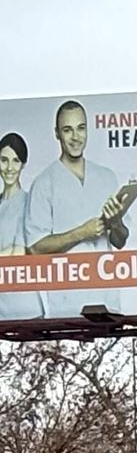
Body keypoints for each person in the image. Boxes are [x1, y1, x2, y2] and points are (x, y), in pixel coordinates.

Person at [20, 102, 137, 320]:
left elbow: (121, 241)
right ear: (57, 134)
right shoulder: (44, 183)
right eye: (68, 130)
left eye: (81, 128)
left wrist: (115, 223)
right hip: (68, 303)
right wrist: (81, 233)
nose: (76, 137)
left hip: (107, 300)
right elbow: (35, 248)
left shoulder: (106, 177)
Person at [0, 131, 39, 323]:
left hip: (24, 307)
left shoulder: (27, 201)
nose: (9, 168)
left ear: (23, 164)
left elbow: (18, 252)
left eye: (15, 161)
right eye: (4, 160)